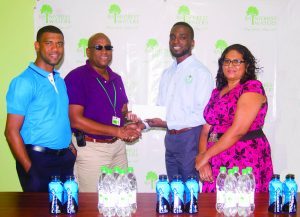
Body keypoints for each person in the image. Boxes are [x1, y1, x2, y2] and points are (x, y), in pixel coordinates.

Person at [64, 33, 141, 192]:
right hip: (92, 149)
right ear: (88, 51)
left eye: (108, 47)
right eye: (98, 47)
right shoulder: (77, 77)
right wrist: (118, 131)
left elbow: (123, 112)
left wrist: (131, 126)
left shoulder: (116, 79)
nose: (104, 51)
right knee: (92, 203)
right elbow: (75, 120)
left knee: (122, 198)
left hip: (118, 147)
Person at [4, 25, 76, 192]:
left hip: (64, 159)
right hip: (38, 160)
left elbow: (58, 117)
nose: (55, 48)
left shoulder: (60, 80)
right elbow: (11, 131)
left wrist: (70, 146)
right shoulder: (24, 81)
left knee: (67, 210)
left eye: (60, 44)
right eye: (49, 43)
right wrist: (30, 168)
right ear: (37, 46)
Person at [195, 44, 274, 192]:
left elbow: (238, 130)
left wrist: (206, 156)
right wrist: (203, 159)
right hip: (215, 157)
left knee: (242, 205)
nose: (231, 65)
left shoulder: (252, 87)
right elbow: (206, 129)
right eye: (226, 61)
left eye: (237, 61)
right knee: (214, 207)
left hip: (244, 155)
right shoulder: (216, 92)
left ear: (247, 65)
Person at [144, 22, 214, 182]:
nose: (176, 41)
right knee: (174, 191)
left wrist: (167, 123)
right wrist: (142, 123)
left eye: (182, 37)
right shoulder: (167, 73)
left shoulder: (201, 72)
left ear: (192, 43)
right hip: (170, 140)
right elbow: (160, 111)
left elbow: (203, 115)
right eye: (172, 37)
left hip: (191, 138)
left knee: (190, 194)